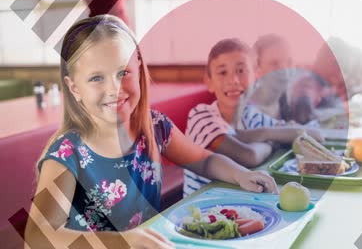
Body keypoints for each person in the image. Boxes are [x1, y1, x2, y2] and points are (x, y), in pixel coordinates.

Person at [24, 15, 278, 248]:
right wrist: (123, 242)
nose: (114, 89)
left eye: (123, 73)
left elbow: (205, 160)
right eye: (96, 78)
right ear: (74, 87)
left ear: (139, 67)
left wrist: (241, 174)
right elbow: (37, 237)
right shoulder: (68, 153)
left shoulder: (155, 126)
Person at [184, 38, 322, 197]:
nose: (234, 81)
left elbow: (315, 134)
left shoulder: (251, 116)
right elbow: (248, 156)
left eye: (241, 71)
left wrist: (264, 133)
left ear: (256, 77)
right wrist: (273, 139)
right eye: (223, 72)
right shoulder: (200, 116)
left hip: (241, 202)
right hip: (199, 210)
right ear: (209, 82)